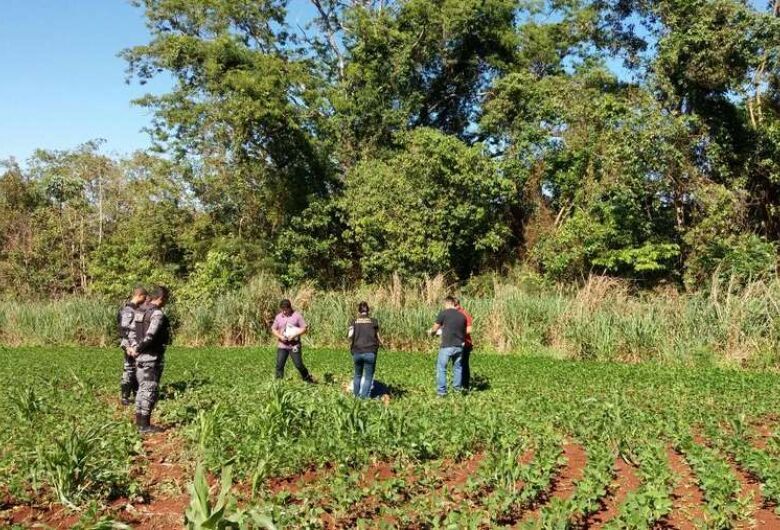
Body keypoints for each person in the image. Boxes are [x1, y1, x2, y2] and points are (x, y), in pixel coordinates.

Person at [128, 285, 171, 434]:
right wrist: (138, 349)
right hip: (151, 357)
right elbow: (150, 336)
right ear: (161, 298)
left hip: (139, 358)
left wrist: (134, 348)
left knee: (141, 389)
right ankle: (144, 426)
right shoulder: (157, 314)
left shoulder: (139, 310)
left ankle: (139, 421)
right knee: (149, 389)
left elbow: (132, 333)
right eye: (166, 299)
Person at [428, 296, 470, 396]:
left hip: (447, 345)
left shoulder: (444, 313)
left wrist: (431, 333)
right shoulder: (462, 316)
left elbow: (435, 328)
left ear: (447, 303)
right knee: (458, 368)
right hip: (459, 346)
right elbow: (465, 331)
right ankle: (457, 391)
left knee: (441, 368)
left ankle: (441, 392)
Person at [117, 286, 147, 406]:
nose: (145, 300)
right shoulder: (128, 311)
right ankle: (125, 396)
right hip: (130, 345)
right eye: (144, 298)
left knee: (137, 369)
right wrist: (127, 347)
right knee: (129, 369)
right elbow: (124, 331)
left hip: (138, 345)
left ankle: (136, 394)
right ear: (139, 295)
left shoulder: (137, 310)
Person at [271, 299, 313, 382]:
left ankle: (308, 379)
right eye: (282, 309)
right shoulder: (278, 317)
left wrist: (294, 335)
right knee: (279, 365)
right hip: (282, 345)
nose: (284, 311)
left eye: (285, 309)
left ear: (290, 308)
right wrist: (280, 336)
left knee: (298, 364)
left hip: (294, 345)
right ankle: (279, 383)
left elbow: (304, 328)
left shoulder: (297, 316)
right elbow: (273, 329)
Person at [348, 301, 382, 398]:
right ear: (368, 311)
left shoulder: (353, 321)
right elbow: (378, 337)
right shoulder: (374, 321)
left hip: (357, 352)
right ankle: (363, 399)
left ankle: (355, 396)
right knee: (368, 377)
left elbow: (350, 336)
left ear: (359, 311)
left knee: (357, 375)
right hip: (370, 352)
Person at [454, 298, 474, 390]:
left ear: (455, 304)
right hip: (454, 343)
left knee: (464, 365)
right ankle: (458, 385)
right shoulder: (451, 314)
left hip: (465, 344)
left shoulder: (464, 314)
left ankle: (465, 386)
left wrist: (457, 333)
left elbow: (469, 329)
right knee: (457, 364)